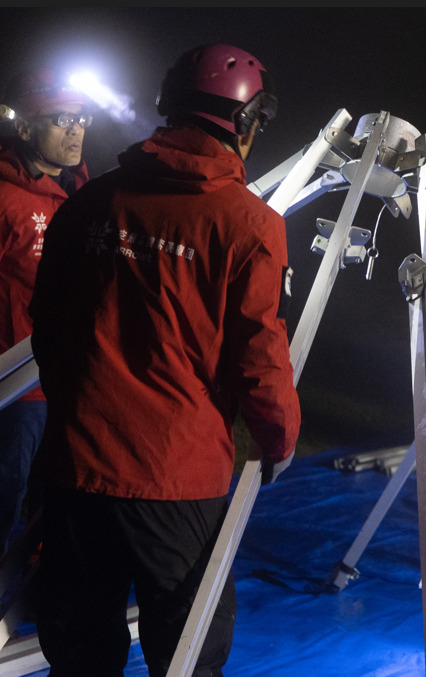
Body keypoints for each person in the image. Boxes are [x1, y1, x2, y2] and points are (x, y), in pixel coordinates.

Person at [28, 43, 301, 677]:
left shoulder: (90, 205)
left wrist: (78, 405)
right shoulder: (249, 226)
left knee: (78, 652)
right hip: (177, 486)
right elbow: (260, 358)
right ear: (245, 122)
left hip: (77, 472)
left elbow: (48, 326)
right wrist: (278, 439)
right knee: (187, 656)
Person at [0, 67, 90, 553]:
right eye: (61, 119)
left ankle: (38, 598)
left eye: (81, 118)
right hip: (16, 394)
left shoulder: (86, 194)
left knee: (58, 500)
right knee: (4, 495)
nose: (75, 129)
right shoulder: (5, 196)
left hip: (74, 382)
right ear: (26, 128)